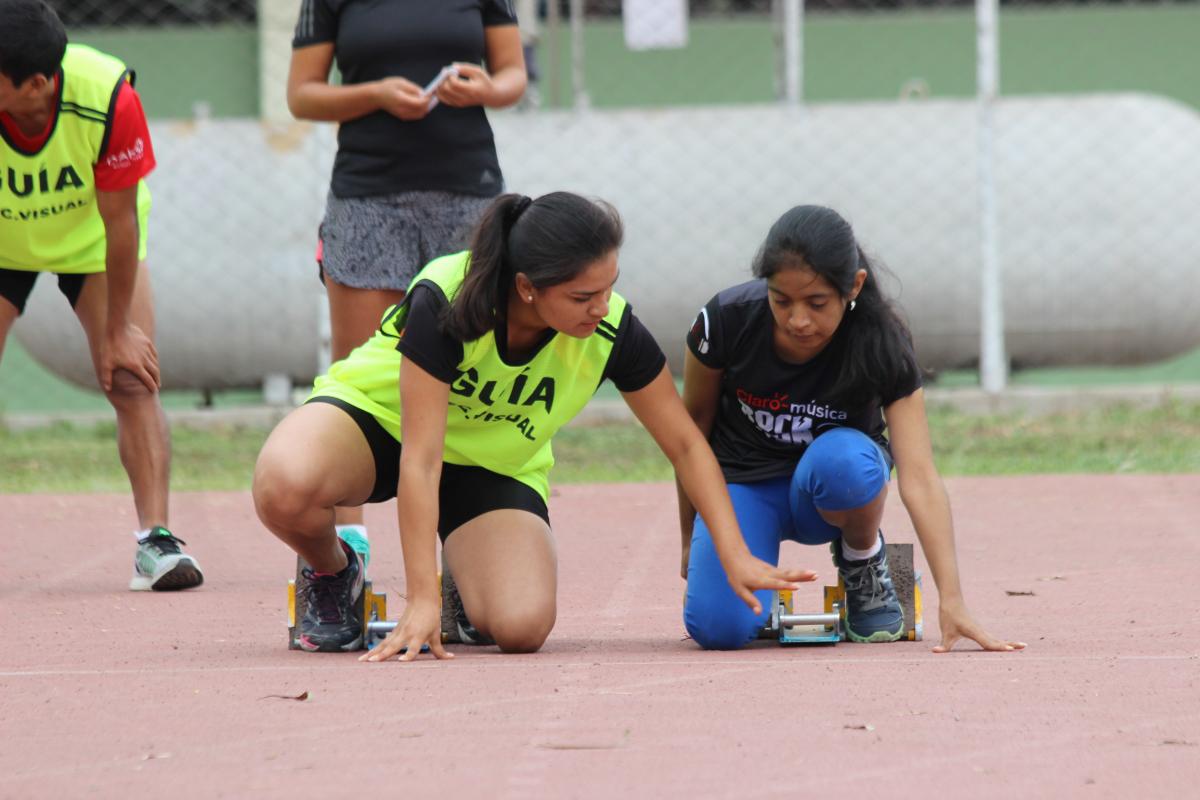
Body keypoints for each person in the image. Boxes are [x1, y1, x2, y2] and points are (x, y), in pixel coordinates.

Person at [253, 192, 809, 657]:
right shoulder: (447, 299)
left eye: (609, 287)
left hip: (493, 465)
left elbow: (687, 445)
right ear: (526, 288)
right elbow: (420, 460)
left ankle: (465, 592)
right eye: (583, 296)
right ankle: (333, 571)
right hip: (380, 426)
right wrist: (417, 600)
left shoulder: (613, 329)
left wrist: (732, 550)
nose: (602, 306)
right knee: (285, 485)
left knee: (521, 627)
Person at [678, 205, 1024, 652]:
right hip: (742, 486)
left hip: (833, 489)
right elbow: (690, 438)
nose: (798, 320)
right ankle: (753, 601)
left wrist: (952, 599)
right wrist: (692, 537)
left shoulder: (882, 341)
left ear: (853, 286)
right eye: (781, 300)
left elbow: (918, 476)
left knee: (845, 461)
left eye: (817, 303)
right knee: (717, 629)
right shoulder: (725, 321)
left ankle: (862, 560)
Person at [288, 0, 528, 553]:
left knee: (472, 367)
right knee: (355, 375)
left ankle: (465, 544)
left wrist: (485, 88)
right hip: (367, 193)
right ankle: (348, 551)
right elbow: (302, 94)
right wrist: (374, 95)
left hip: (469, 191)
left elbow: (512, 75)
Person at [0, 0, 202, 591]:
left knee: (131, 376)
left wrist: (116, 331)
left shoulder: (108, 95)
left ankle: (156, 544)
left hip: (92, 244)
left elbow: (120, 223)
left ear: (35, 83)